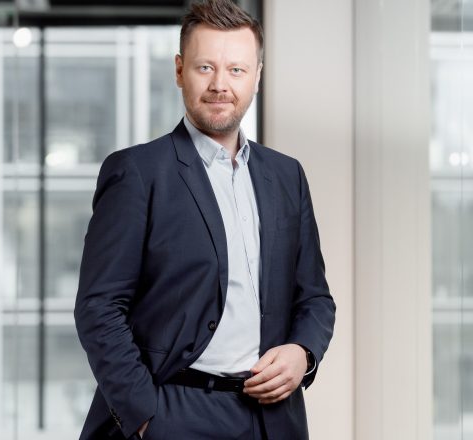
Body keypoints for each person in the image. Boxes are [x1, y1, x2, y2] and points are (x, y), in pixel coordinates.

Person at [74, 0, 336, 438]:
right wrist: (145, 417)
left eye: (236, 70)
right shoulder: (137, 173)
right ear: (180, 70)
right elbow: (98, 307)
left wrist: (303, 353)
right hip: (176, 411)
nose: (220, 85)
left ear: (257, 76)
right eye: (205, 68)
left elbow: (314, 297)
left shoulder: (286, 175)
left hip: (273, 418)